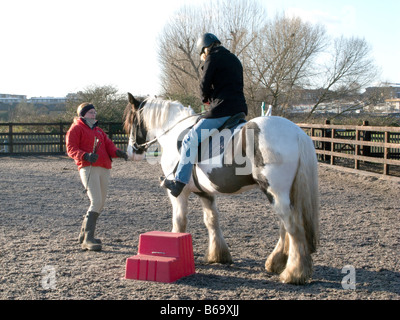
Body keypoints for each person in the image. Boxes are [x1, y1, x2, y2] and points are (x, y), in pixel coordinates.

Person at [162, 33, 248, 197]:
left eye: (202, 55)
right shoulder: (235, 59)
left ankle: (179, 182)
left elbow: (204, 86)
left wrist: (206, 99)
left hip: (222, 110)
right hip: (240, 110)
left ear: (205, 49)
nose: (202, 58)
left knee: (190, 138)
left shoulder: (212, 58)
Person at [66, 103, 128, 251]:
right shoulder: (76, 128)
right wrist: (85, 155)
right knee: (96, 201)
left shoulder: (99, 131)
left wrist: (117, 152)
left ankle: (84, 234)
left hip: (104, 167)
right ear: (83, 114)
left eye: (95, 112)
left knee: (100, 203)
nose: (94, 115)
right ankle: (88, 239)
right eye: (91, 113)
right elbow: (71, 148)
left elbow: (109, 145)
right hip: (88, 167)